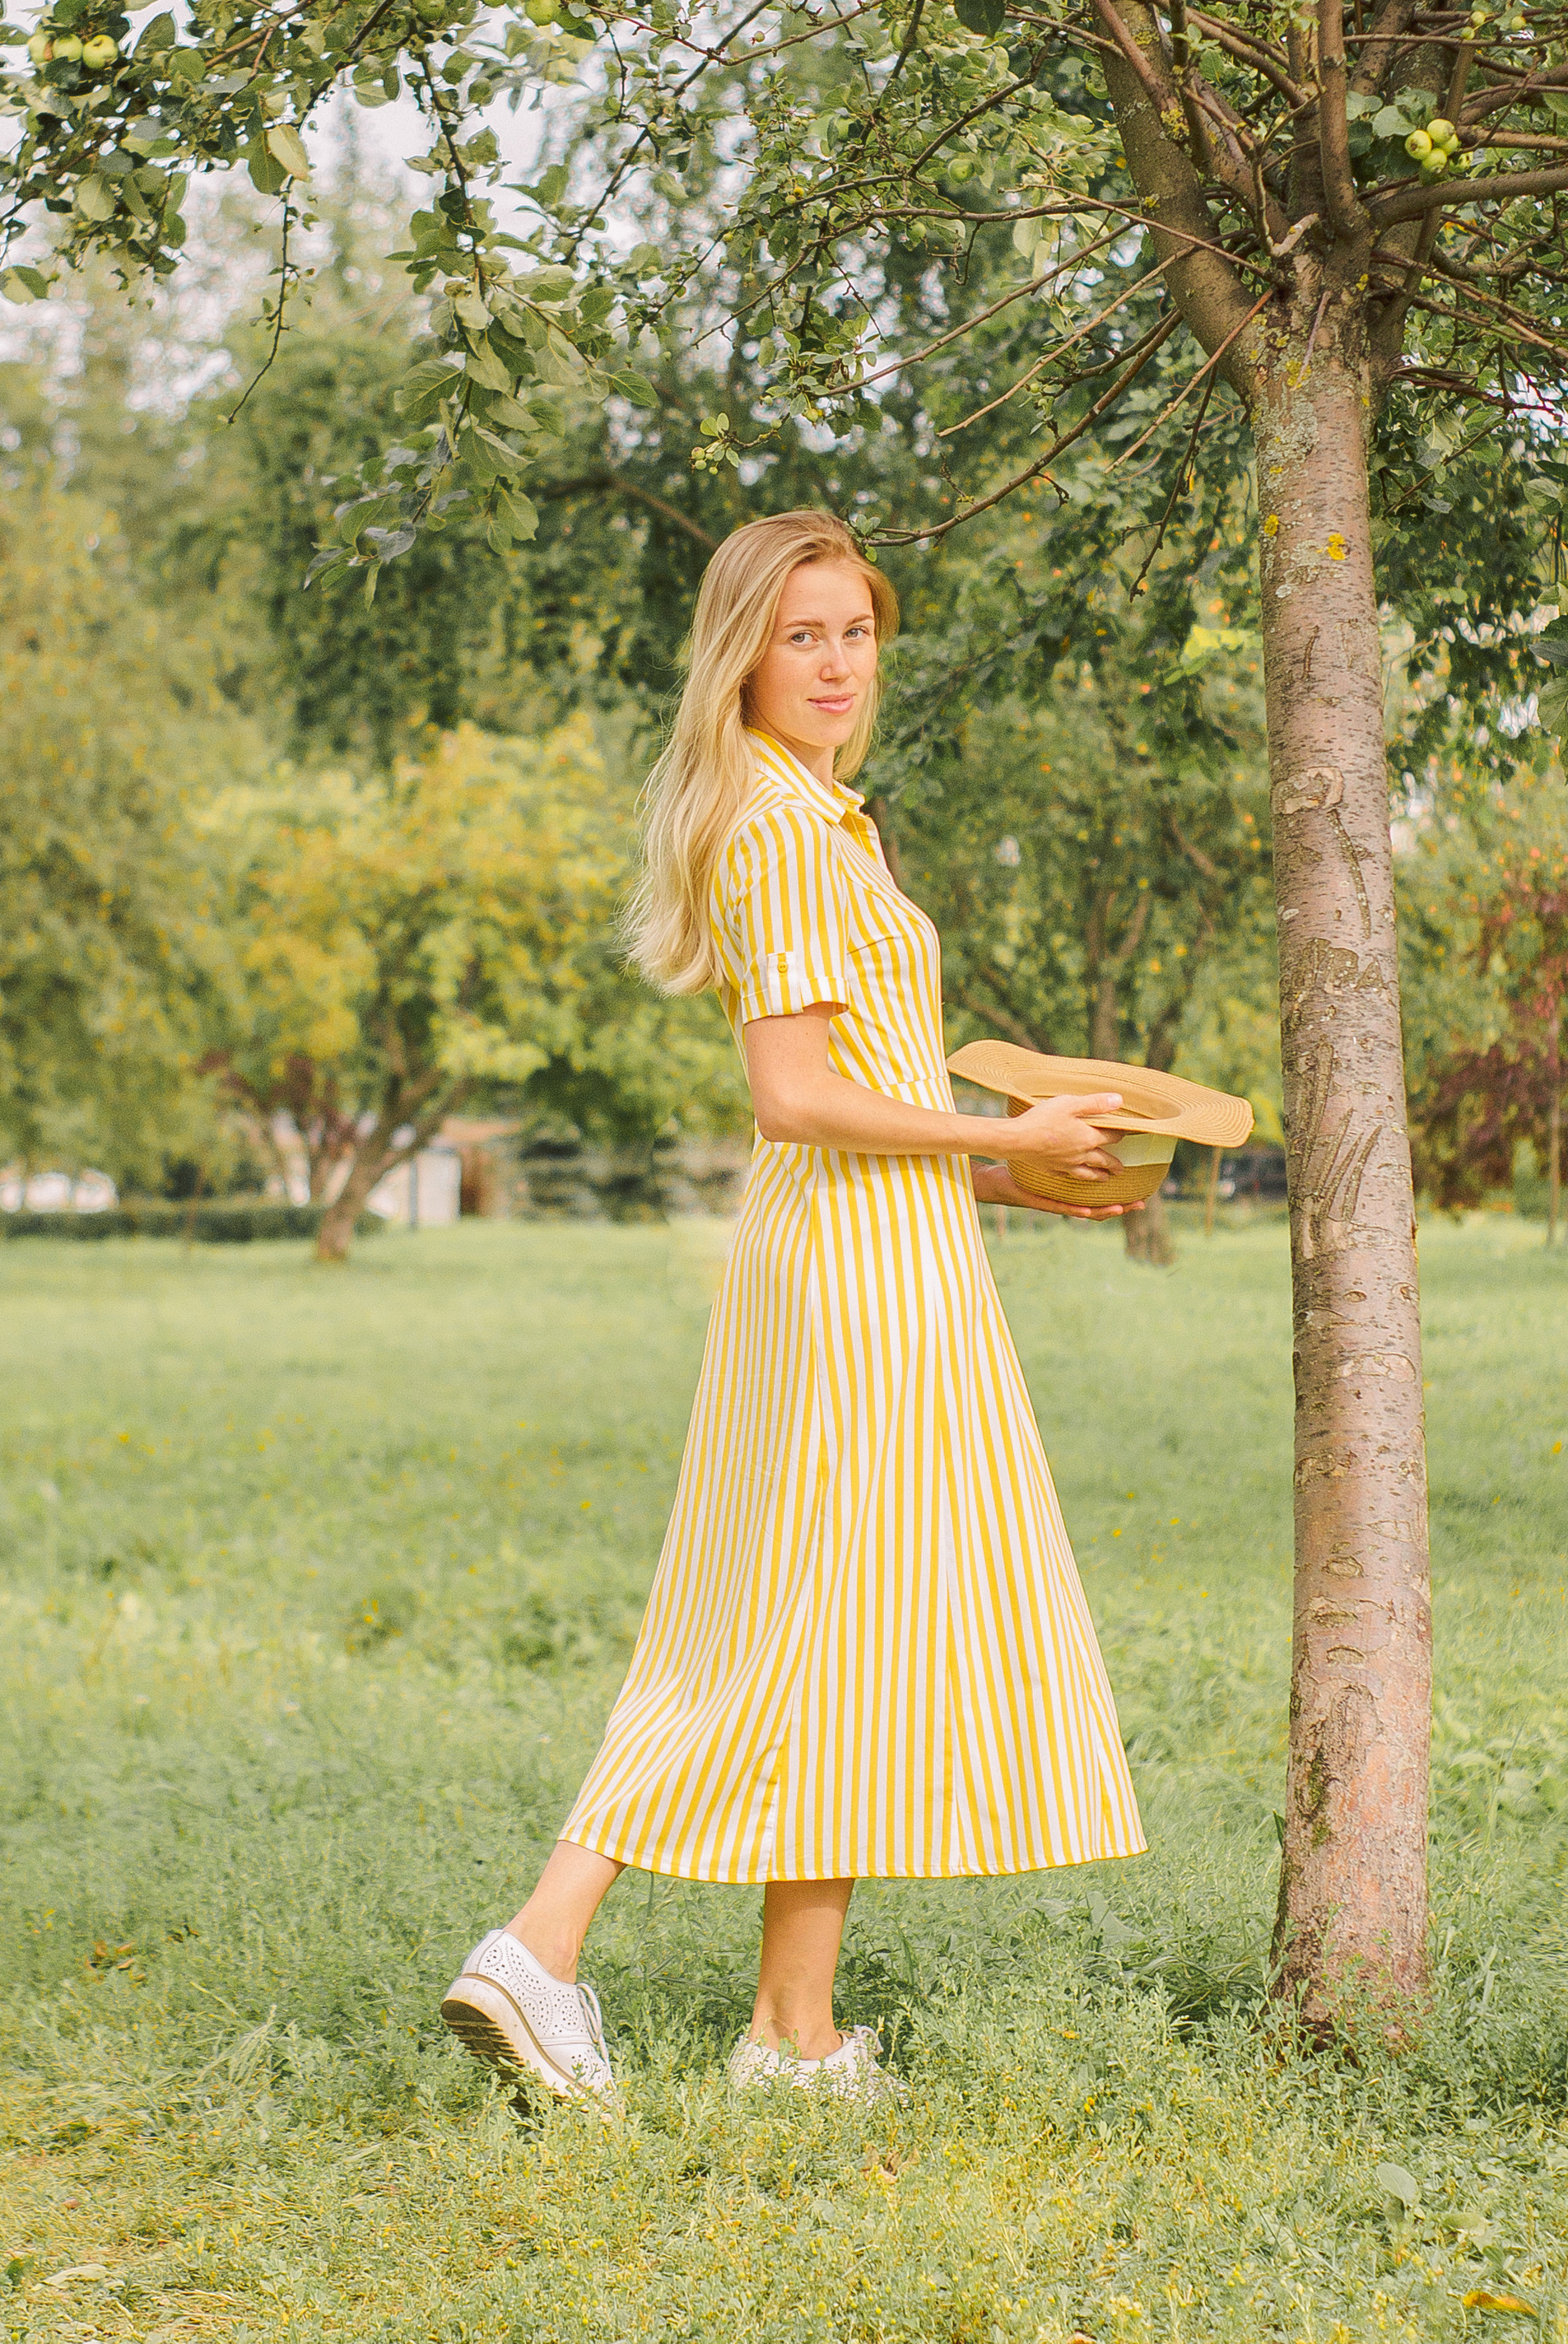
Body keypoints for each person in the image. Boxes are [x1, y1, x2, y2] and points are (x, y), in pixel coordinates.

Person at [441, 510, 1147, 2104]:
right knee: (769, 1625)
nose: (834, 664)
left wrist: (1008, 1173)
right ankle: (540, 1948)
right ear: (741, 659)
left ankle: (792, 2033)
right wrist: (1001, 1134)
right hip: (846, 1279)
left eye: (855, 632)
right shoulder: (770, 826)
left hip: (879, 1250)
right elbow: (790, 1097)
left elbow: (864, 1097)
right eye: (799, 636)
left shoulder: (821, 816)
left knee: (839, 1632)